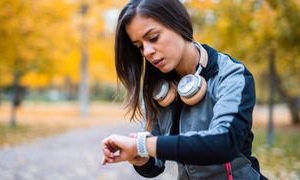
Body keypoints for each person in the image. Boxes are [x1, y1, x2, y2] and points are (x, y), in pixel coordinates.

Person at [101, 0, 267, 179]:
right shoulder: (156, 89)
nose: (147, 52)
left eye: (153, 37)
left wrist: (142, 144)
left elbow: (225, 143)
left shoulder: (231, 75)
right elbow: (154, 166)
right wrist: (138, 157)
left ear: (178, 23)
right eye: (140, 46)